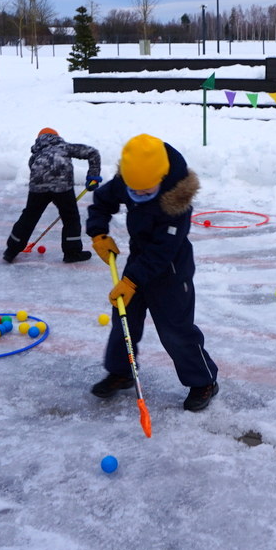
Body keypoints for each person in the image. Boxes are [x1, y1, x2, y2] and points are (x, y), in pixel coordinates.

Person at [86, 134, 219, 412]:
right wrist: (98, 232)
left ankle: (203, 381)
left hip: (171, 270)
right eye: (135, 192)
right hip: (139, 261)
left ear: (161, 178)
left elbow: (162, 251)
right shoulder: (131, 180)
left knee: (175, 331)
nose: (140, 196)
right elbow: (102, 200)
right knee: (124, 319)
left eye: (147, 192)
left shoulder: (176, 203)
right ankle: (121, 371)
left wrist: (131, 280)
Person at [3, 128, 102, 263]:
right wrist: (93, 176)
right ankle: (72, 252)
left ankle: (11, 251)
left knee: (29, 217)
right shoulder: (64, 146)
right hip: (62, 186)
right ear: (57, 137)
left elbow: (32, 167)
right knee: (70, 218)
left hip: (38, 186)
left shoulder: (36, 153)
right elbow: (92, 153)